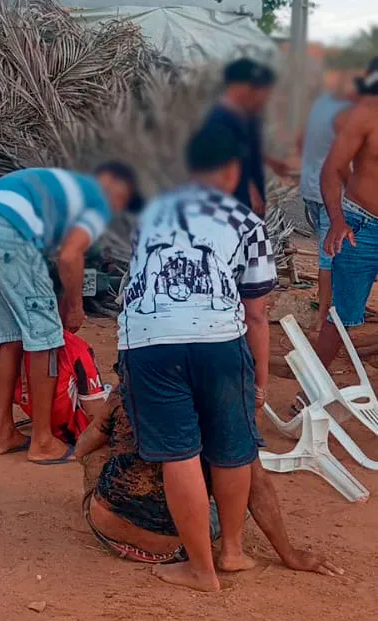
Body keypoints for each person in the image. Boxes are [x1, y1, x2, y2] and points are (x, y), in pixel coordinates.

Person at [117, 124, 278, 591]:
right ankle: (231, 552)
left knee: (179, 452)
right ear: (231, 170)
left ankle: (199, 569)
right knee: (231, 448)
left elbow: (135, 284)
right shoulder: (247, 221)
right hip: (220, 340)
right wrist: (259, 382)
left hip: (149, 343)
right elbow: (257, 313)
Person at [0, 163, 142, 464]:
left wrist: (60, 303)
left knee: (11, 335)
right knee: (45, 339)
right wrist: (74, 307)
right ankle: (43, 441)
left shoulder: (62, 187)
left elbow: (58, 261)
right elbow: (71, 255)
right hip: (11, 232)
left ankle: (3, 432)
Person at [77, 379, 343, 577]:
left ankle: (111, 505)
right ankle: (230, 552)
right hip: (167, 545)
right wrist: (289, 554)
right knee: (235, 483)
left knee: (102, 447)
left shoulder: (132, 383)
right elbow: (257, 486)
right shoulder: (226, 402)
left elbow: (83, 449)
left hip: (105, 526)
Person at [316, 58, 378, 369]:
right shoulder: (366, 114)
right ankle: (309, 393)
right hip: (361, 226)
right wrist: (337, 220)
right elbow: (332, 168)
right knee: (342, 316)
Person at [298, 83, 356, 331]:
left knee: (329, 250)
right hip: (333, 193)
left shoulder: (321, 102)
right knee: (330, 255)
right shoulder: (351, 112)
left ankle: (327, 309)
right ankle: (325, 317)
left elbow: (301, 141)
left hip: (311, 187)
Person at [201, 58, 289, 215]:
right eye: (255, 88)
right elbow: (223, 164)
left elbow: (245, 149)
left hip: (247, 196)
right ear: (238, 87)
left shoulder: (246, 116)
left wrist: (269, 160)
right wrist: (251, 191)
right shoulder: (219, 120)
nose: (260, 95)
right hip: (234, 201)